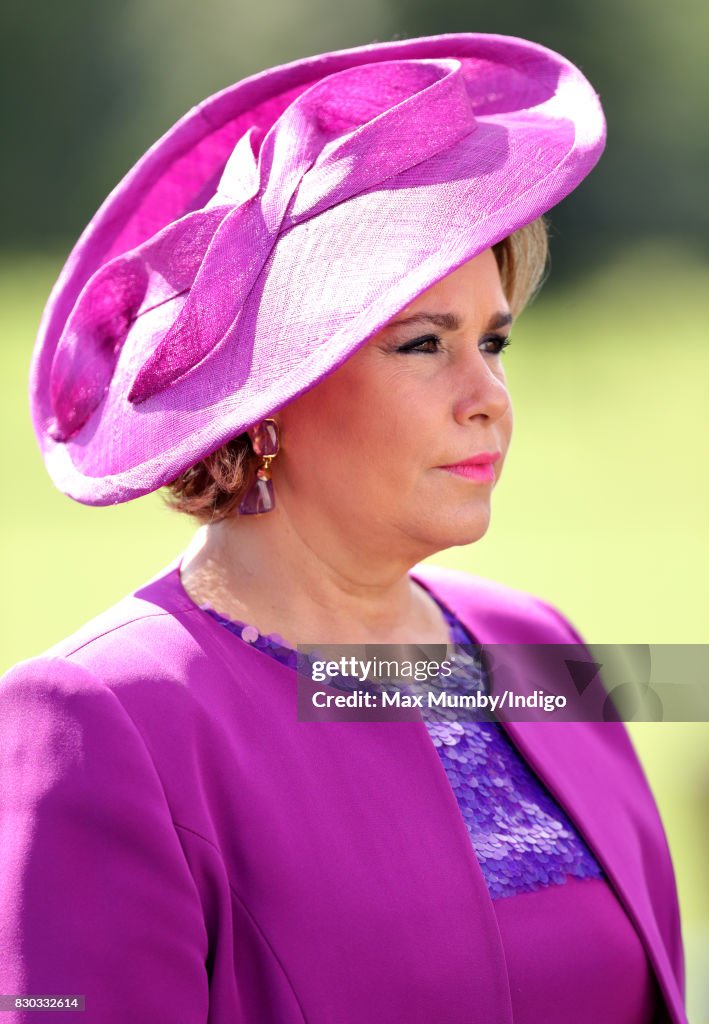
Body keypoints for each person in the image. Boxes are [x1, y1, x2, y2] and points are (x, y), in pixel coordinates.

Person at [0, 32, 687, 1024]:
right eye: (423, 344)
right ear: (269, 393)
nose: (487, 394)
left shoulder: (539, 646)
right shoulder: (97, 721)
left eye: (491, 340)